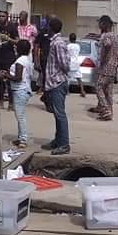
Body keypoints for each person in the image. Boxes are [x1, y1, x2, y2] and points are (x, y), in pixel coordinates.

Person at [42, 17, 71, 154]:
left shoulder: (58, 43)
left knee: (60, 114)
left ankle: (64, 144)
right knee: (56, 113)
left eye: (48, 26)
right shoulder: (54, 42)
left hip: (57, 82)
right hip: (53, 82)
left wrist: (57, 76)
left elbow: (65, 64)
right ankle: (58, 140)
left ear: (51, 28)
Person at [1, 38, 33, 148]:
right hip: (24, 89)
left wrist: (6, 75)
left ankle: (23, 139)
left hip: (20, 90)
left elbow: (18, 77)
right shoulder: (26, 59)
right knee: (20, 115)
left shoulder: (20, 61)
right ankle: (20, 138)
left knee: (20, 116)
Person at [94, 15, 118, 121]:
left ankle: (105, 109)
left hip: (106, 67)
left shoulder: (105, 36)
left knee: (98, 87)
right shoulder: (115, 36)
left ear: (104, 24)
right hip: (113, 67)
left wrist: (103, 59)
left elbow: (107, 45)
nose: (99, 25)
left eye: (100, 23)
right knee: (108, 91)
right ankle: (110, 112)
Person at [0, 24, 19, 111]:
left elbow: (17, 41)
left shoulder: (12, 28)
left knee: (9, 81)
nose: (0, 18)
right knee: (0, 81)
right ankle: (0, 102)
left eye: (3, 16)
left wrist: (8, 39)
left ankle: (11, 103)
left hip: (9, 58)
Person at [67, 33, 86, 97]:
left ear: (69, 39)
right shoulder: (78, 46)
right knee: (79, 77)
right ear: (75, 39)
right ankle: (82, 91)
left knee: (67, 78)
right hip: (76, 63)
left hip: (70, 62)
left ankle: (67, 91)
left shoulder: (68, 46)